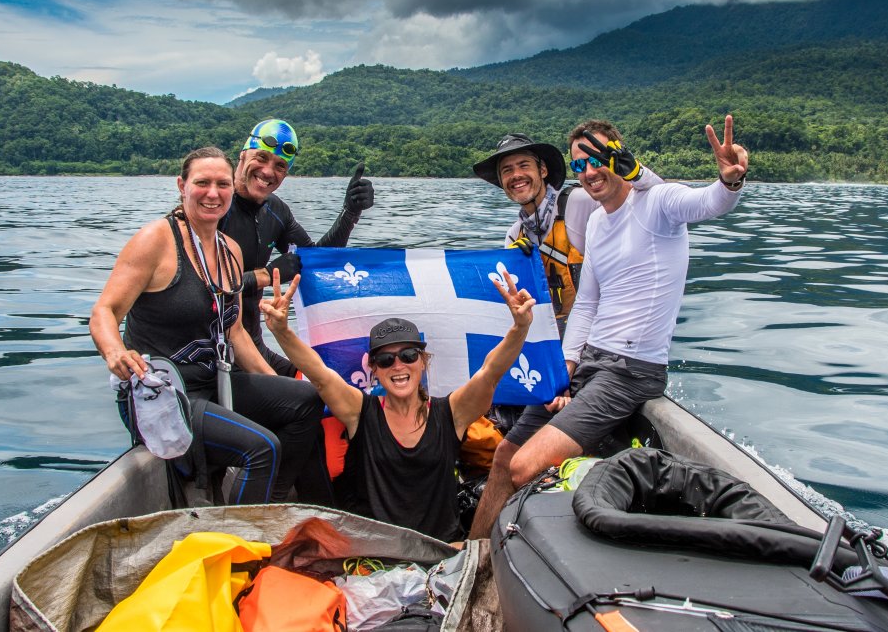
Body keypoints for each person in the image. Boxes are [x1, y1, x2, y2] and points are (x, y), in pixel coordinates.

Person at [467, 115, 748, 539]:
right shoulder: (596, 221)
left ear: (619, 154)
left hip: (630, 370)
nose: (590, 172)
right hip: (590, 360)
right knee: (505, 453)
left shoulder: (659, 204)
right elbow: (588, 303)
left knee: (526, 466)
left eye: (600, 159)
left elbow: (709, 203)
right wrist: (566, 366)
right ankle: (471, 556)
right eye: (580, 165)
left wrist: (729, 181)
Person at [89, 146, 325, 505]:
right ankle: (237, 542)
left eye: (221, 184)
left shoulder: (228, 249)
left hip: (214, 382)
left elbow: (234, 332)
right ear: (182, 186)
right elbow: (104, 312)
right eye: (202, 183)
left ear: (233, 187)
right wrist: (115, 353)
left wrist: (273, 384)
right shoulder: (155, 241)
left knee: (306, 401)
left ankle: (278, 506)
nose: (212, 194)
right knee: (261, 448)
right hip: (164, 393)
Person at [260, 267, 535, 542]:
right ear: (374, 369)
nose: (398, 365)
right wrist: (283, 331)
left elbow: (490, 372)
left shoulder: (452, 412)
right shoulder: (360, 412)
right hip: (376, 555)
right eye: (386, 360)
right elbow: (319, 375)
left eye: (408, 355)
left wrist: (519, 328)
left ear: (423, 361)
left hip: (442, 551)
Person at [222, 118, 375, 377]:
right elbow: (201, 287)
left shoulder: (276, 210)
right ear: (242, 155)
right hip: (215, 352)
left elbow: (315, 260)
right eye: (261, 158)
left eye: (280, 166)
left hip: (254, 345)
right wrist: (265, 276)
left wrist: (351, 212)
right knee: (305, 399)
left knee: (327, 383)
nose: (269, 172)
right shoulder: (215, 206)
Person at [472, 132, 663, 329]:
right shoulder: (514, 235)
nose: (516, 175)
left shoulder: (579, 202)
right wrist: (517, 266)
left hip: (606, 333)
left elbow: (652, 206)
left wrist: (635, 173)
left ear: (543, 170)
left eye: (524, 165)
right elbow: (519, 307)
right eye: (507, 170)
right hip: (557, 340)